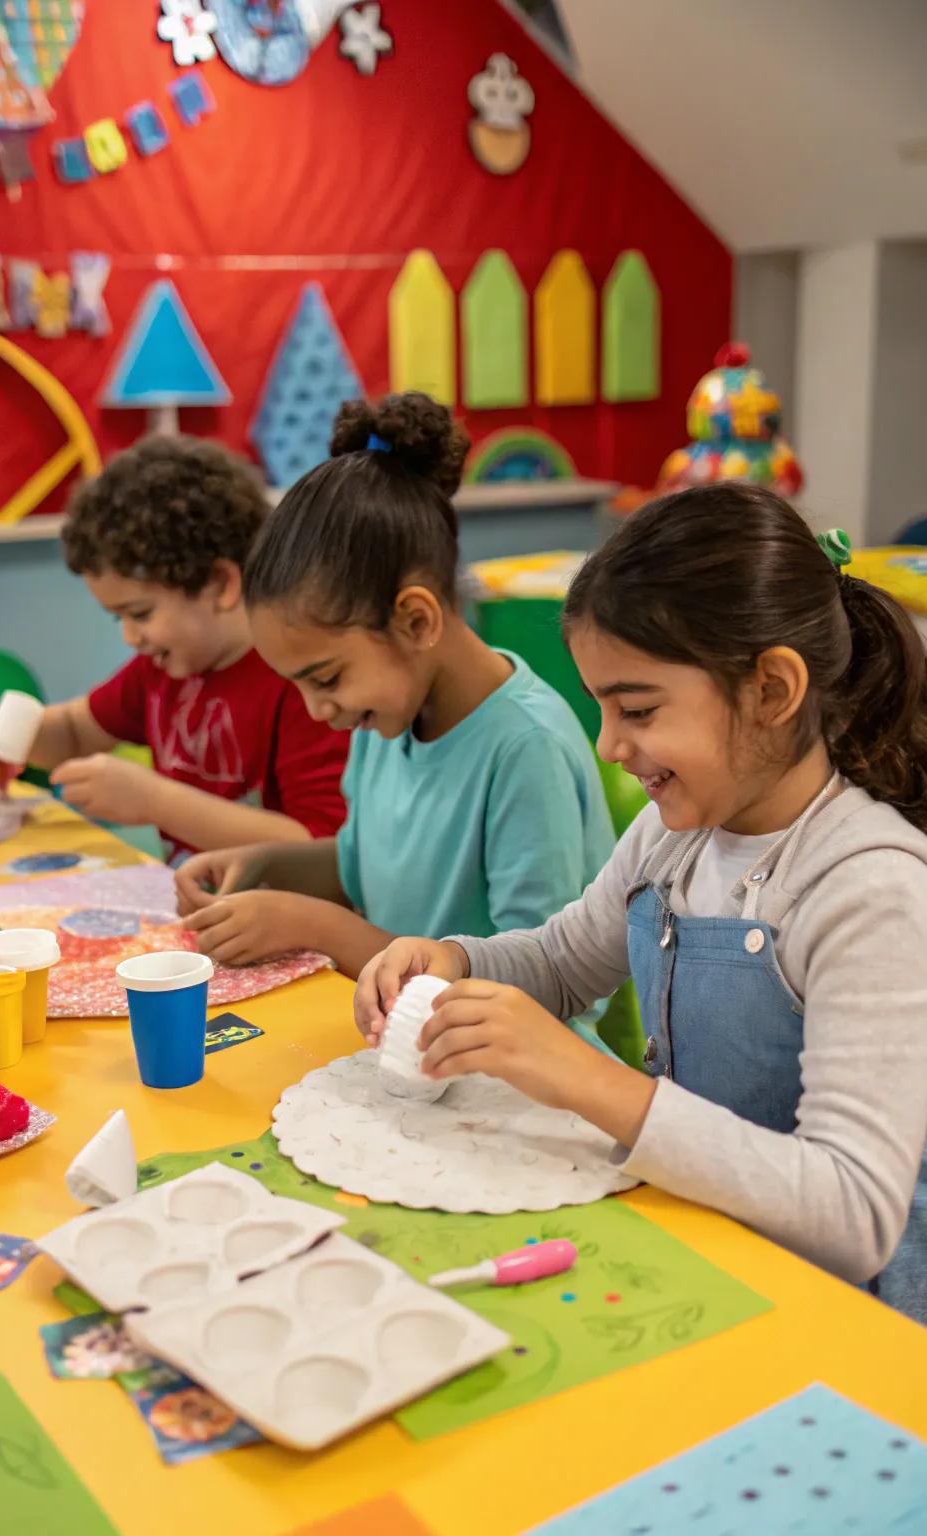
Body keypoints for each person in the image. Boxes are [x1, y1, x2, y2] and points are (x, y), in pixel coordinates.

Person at [355, 485, 927, 1323]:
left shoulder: (871, 890)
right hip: (714, 1253)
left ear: (771, 689)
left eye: (637, 709)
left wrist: (590, 1080)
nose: (608, 745)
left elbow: (852, 1214)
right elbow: (558, 960)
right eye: (600, 707)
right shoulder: (676, 837)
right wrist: (456, 958)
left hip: (843, 1323)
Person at [175, 392, 615, 997]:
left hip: (510, 1070)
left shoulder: (524, 749)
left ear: (414, 622)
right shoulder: (387, 718)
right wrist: (265, 864)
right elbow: (367, 868)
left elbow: (536, 984)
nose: (317, 711)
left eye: (326, 678)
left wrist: (315, 924)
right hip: (404, 1041)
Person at [0, 436, 349, 860]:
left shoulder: (301, 684)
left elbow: (322, 848)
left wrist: (156, 802)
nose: (129, 636)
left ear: (220, 584)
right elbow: (75, 731)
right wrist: (5, 739)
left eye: (141, 613)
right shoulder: (159, 672)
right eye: (118, 617)